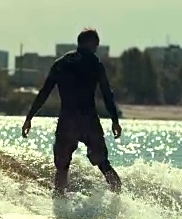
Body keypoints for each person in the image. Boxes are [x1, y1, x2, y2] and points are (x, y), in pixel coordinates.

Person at [21, 28, 122, 199]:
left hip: (67, 120)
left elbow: (44, 91)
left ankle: (59, 207)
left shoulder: (61, 63)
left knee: (62, 167)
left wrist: (29, 118)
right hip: (88, 120)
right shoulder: (95, 63)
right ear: (91, 43)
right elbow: (106, 94)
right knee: (104, 164)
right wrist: (115, 121)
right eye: (96, 44)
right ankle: (119, 200)